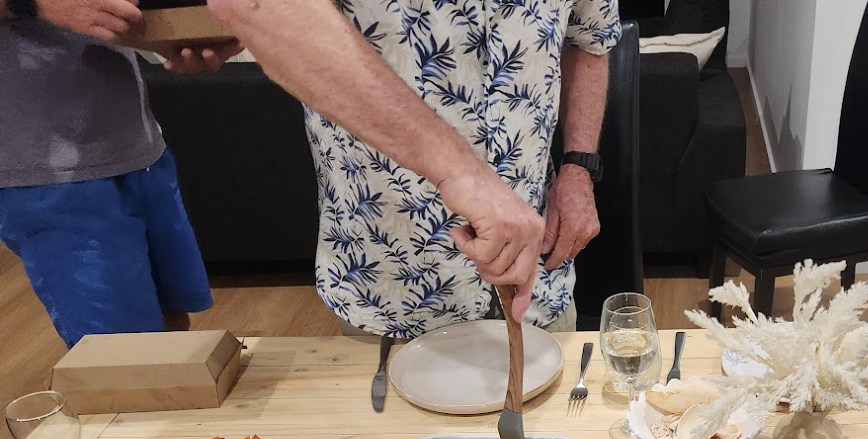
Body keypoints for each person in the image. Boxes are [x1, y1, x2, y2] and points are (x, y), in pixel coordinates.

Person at [199, 0, 619, 336]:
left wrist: (578, 167)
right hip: (389, 279)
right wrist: (461, 172)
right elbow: (257, 7)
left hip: (539, 271)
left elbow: (590, 36)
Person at [0, 0, 239, 349]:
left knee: (172, 330)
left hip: (137, 145)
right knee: (121, 360)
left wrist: (172, 32)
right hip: (50, 176)